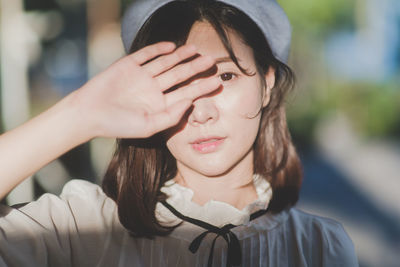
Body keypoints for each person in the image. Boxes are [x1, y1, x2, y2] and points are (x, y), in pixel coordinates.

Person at [0, 0, 359, 266]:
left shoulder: (320, 247)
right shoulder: (83, 226)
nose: (201, 111)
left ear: (267, 83)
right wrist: (81, 114)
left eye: (225, 76)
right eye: (178, 84)